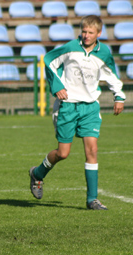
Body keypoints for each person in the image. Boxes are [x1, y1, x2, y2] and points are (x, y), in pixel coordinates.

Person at [29, 15, 125, 210]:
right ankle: (37, 174)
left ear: (99, 33)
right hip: (67, 106)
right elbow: (48, 61)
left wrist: (119, 96)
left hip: (90, 107)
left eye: (90, 32)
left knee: (92, 150)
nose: (86, 35)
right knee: (63, 153)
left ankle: (92, 200)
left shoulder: (104, 52)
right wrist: (57, 85)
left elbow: (112, 74)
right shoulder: (71, 47)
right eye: (84, 31)